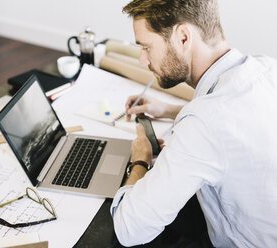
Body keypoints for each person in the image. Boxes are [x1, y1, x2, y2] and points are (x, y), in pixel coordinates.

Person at [110, 0, 277, 247]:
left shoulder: (203, 122)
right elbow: (231, 121)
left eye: (146, 47)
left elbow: (129, 230)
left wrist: (140, 161)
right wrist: (169, 109)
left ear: (183, 37)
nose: (142, 60)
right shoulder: (265, 68)